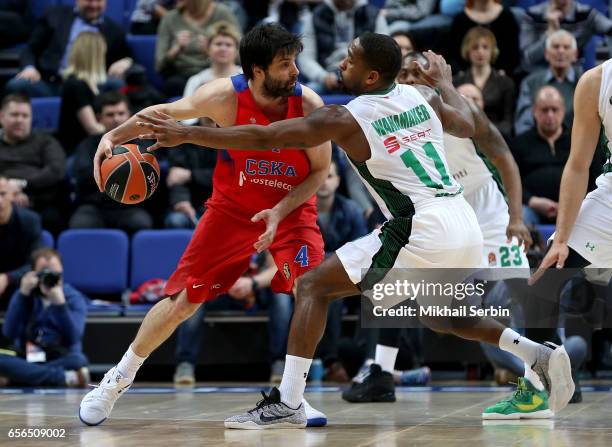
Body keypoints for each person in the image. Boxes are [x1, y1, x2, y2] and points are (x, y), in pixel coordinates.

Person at [136, 33, 576, 428]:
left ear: (369, 76)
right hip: (461, 221)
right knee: (440, 316)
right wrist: (442, 81)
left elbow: (263, 138)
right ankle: (536, 355)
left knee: (312, 287)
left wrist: (189, 135)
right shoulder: (421, 97)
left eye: (349, 60)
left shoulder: (346, 117)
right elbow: (470, 124)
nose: (340, 64)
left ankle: (288, 401)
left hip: (419, 224)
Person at [78, 24, 331, 428]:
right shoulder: (222, 96)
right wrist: (113, 134)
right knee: (183, 301)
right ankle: (116, 379)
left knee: (310, 289)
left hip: (290, 209)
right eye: (286, 64)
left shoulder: (311, 105)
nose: (296, 71)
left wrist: (281, 211)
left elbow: (318, 172)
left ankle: (292, 398)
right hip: (232, 210)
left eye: (296, 61)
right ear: (257, 71)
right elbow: (163, 115)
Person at [342, 55, 532, 405]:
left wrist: (517, 216)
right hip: (438, 217)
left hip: (488, 220)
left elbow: (505, 158)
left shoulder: (459, 112)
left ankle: (547, 361)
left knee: (489, 311)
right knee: (391, 284)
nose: (412, 80)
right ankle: (381, 372)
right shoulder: (392, 118)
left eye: (419, 73)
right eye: (404, 74)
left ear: (435, 78)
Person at [511, 86, 604, 226]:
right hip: (532, 208)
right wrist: (532, 201)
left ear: (563, 110)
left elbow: (597, 177)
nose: (550, 115)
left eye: (554, 110)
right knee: (520, 216)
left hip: (579, 206)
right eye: (544, 110)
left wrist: (578, 202)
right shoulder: (519, 143)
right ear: (534, 112)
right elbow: (511, 182)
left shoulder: (581, 141)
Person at [5, 0, 132, 98]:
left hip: (93, 88)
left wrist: (126, 61)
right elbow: (30, 49)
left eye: (98, 1)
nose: (93, 5)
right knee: (16, 85)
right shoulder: (54, 16)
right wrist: (29, 68)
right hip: (52, 84)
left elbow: (128, 57)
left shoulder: (114, 30)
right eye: (89, 0)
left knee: (118, 86)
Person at [0, 248, 89, 387]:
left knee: (78, 360)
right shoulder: (25, 295)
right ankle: (61, 378)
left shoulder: (73, 297)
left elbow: (74, 337)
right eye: (44, 274)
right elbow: (8, 333)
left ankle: (16, 377)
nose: (51, 279)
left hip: (59, 356)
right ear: (33, 274)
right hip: (27, 357)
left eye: (56, 274)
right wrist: (22, 295)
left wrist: (60, 306)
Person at [70, 92, 154, 234]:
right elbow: (83, 177)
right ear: (99, 118)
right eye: (110, 114)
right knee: (79, 225)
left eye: (121, 113)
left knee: (142, 223)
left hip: (130, 206)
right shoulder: (87, 145)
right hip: (94, 206)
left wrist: (107, 171)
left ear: (129, 116)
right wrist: (120, 171)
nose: (116, 119)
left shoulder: (143, 144)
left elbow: (149, 176)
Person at [0, 94, 67, 235]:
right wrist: (8, 192)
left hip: (39, 201)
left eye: (25, 116)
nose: (20, 120)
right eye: (14, 115)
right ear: (1, 117)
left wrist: (22, 185)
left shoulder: (46, 142)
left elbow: (56, 170)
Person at [298, 0, 388, 93]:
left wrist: (362, 75)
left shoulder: (374, 15)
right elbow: (306, 57)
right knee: (304, 94)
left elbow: (383, 53)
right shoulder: (314, 17)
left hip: (363, 77)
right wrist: (323, 77)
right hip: (327, 75)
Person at [155, 0, 241, 97]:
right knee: (174, 85)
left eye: (226, 45)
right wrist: (176, 49)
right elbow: (160, 66)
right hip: (182, 74)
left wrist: (210, 50)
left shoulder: (223, 13)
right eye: (219, 44)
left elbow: (240, 51)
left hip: (219, 70)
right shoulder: (170, 18)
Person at [453, 27, 515, 139]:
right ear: (467, 50)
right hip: (463, 137)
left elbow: (508, 123)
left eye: (485, 47)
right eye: (475, 47)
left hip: (496, 137)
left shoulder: (505, 82)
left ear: (492, 51)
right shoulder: (457, 81)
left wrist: (483, 130)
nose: (480, 51)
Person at [515, 30, 579, 136]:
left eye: (566, 47)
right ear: (546, 53)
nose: (561, 51)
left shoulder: (585, 82)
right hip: (538, 144)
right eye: (555, 47)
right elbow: (523, 125)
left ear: (575, 54)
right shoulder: (530, 83)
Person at [520, 0, 612, 71]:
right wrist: (550, 32)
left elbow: (609, 28)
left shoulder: (586, 14)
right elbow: (528, 57)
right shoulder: (532, 16)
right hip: (540, 71)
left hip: (575, 70)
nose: (561, 51)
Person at [57, 32, 108, 155]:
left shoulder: (92, 83)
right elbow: (92, 128)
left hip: (93, 146)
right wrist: (120, 131)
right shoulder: (75, 85)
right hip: (79, 150)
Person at [449, 0, 520, 77]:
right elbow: (453, 55)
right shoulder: (460, 20)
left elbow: (513, 55)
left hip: (500, 78)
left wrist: (503, 72)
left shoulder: (507, 17)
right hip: (466, 78)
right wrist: (461, 74)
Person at [0, 177, 42, 304]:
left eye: (2, 194)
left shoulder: (30, 221)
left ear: (12, 196)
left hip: (19, 284)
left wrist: (7, 278)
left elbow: (35, 263)